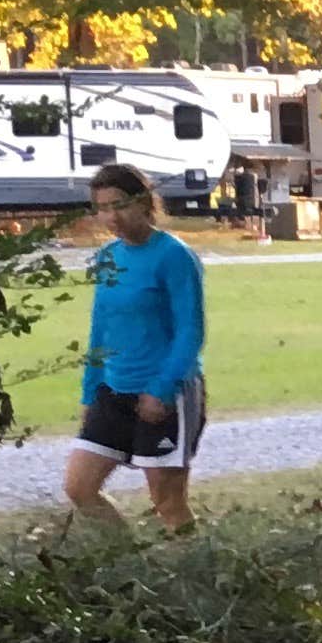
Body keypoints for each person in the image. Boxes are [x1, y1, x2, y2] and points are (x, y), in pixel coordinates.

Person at [64, 161, 207, 534]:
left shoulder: (174, 255)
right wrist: (90, 390)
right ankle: (130, 564)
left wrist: (160, 389)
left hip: (165, 394)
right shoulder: (108, 256)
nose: (111, 216)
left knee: (167, 502)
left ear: (144, 203)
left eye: (120, 205)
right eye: (103, 207)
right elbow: (101, 326)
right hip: (113, 390)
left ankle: (197, 576)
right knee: (79, 488)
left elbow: (191, 330)